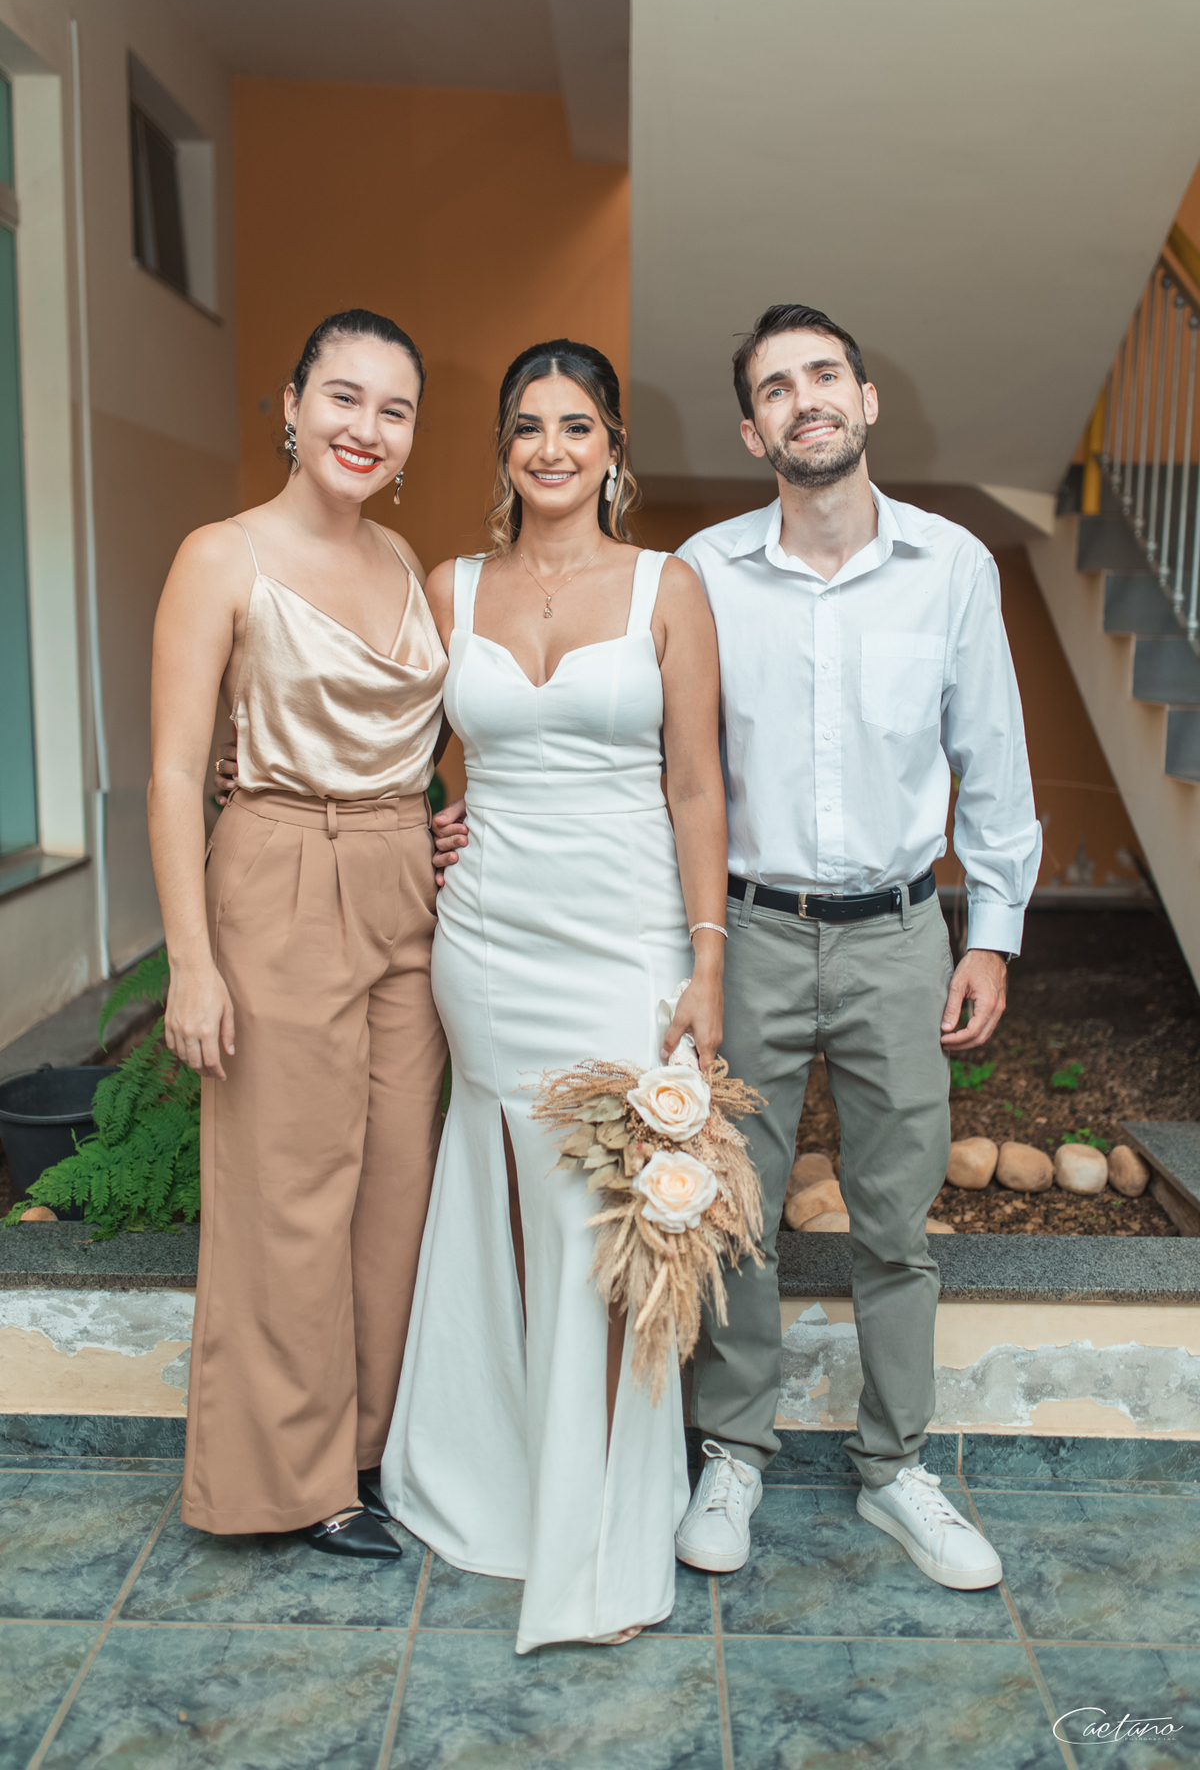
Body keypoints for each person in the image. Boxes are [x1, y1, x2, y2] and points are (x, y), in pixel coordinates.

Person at [667, 304, 1041, 1589]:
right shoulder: (704, 572)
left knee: (896, 1222)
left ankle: (896, 1469)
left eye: (825, 374)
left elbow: (994, 759)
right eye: (776, 386)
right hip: (750, 934)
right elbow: (658, 760)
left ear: (867, 401)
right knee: (733, 1212)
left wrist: (992, 937)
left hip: (899, 938)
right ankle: (734, 1453)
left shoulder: (954, 567)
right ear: (751, 430)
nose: (805, 398)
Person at [379, 340, 729, 1652]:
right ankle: (497, 1476)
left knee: (608, 1218)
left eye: (575, 425)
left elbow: (696, 783)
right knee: (500, 1196)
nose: (550, 448)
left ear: (612, 446)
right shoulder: (450, 585)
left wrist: (707, 959)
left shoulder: (668, 588)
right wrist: (419, 820)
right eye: (527, 426)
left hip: (625, 937)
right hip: (487, 939)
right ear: (505, 448)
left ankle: (605, 1514)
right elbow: (396, 749)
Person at [149, 309, 450, 1559]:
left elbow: (418, 735)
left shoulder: (405, 560)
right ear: (291, 405)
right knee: (286, 1192)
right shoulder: (220, 556)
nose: (365, 427)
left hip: (402, 882)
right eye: (342, 397)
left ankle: (366, 1449)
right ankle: (287, 1480)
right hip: (276, 869)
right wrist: (191, 962)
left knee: (395, 1187)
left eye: (394, 408)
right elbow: (177, 772)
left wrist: (441, 819)